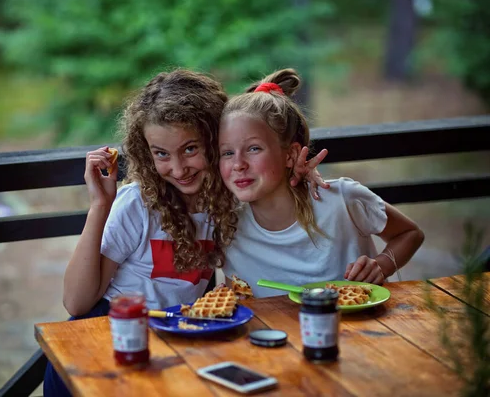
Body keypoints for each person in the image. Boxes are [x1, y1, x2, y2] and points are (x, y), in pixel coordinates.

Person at [44, 69, 325, 396]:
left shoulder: (231, 200)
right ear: (146, 151)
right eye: (161, 153)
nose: (177, 169)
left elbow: (278, 194)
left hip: (175, 347)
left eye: (190, 149)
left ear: (214, 140)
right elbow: (76, 303)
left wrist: (300, 180)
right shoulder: (137, 205)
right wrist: (100, 205)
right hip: (102, 345)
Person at [218, 68, 425, 298]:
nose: (238, 164)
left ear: (290, 155)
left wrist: (382, 265)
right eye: (226, 153)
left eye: (254, 148)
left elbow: (410, 234)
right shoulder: (228, 226)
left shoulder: (341, 200)